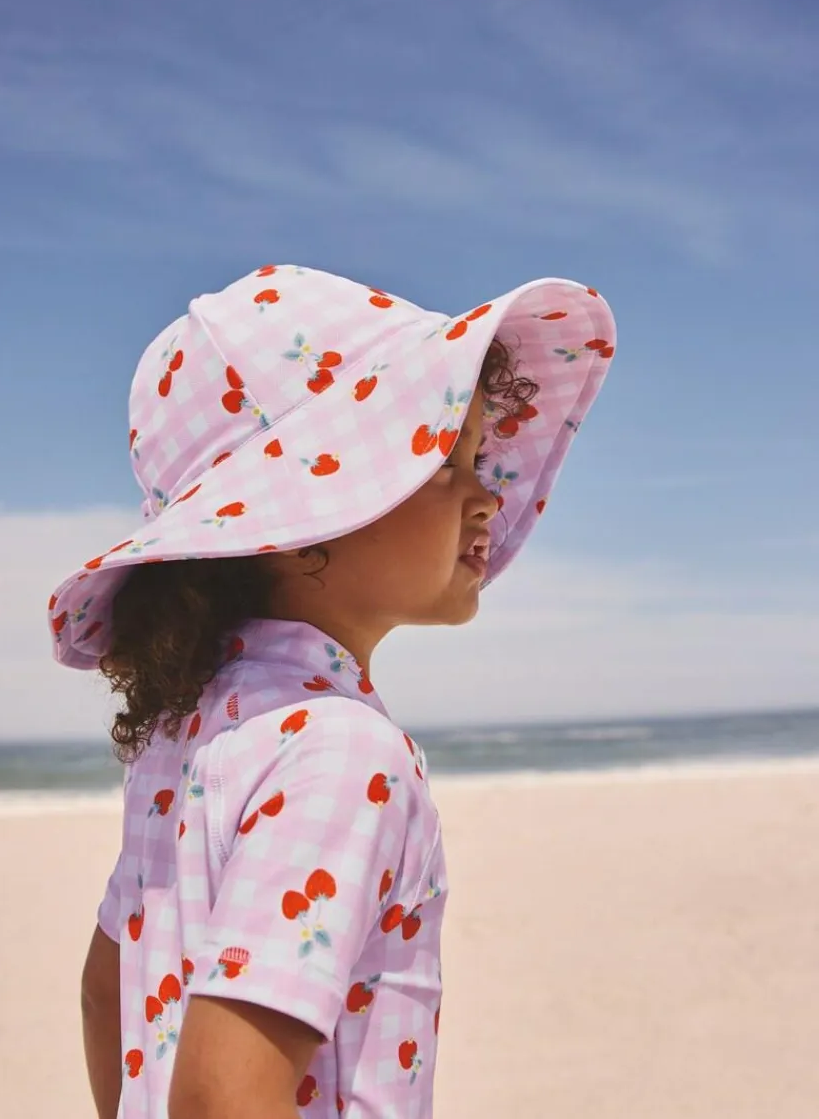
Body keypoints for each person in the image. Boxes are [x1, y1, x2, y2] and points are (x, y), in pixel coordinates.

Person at [54, 263, 616, 1118]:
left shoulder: (192, 734)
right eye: (443, 461)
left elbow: (107, 995)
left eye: (475, 459)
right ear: (306, 513)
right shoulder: (343, 752)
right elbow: (222, 1099)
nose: (486, 496)